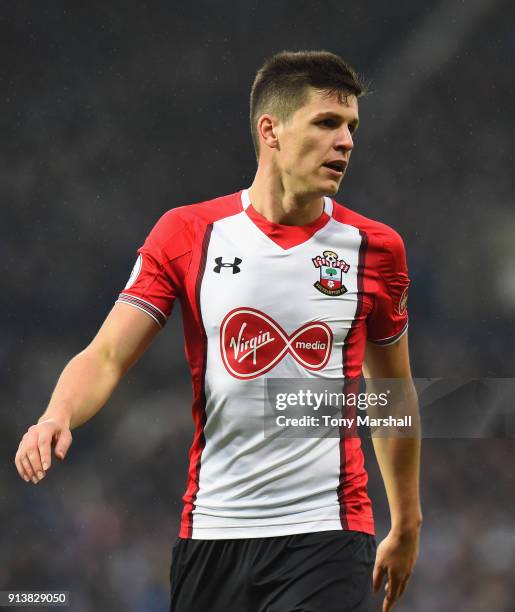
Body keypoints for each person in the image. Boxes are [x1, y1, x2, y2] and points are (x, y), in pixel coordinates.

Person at [15, 50, 422, 612]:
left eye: (351, 126)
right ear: (270, 130)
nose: (347, 141)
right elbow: (107, 355)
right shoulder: (187, 233)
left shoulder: (376, 249)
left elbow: (391, 395)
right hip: (212, 536)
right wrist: (56, 414)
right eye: (327, 123)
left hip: (328, 532)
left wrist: (406, 521)